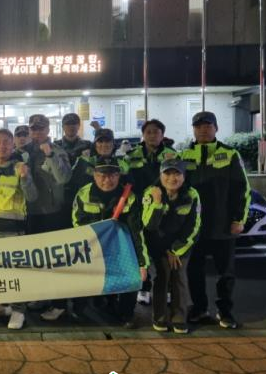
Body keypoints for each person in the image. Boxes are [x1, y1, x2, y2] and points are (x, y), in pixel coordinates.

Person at [180, 111, 250, 329]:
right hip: (194, 227)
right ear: (193, 129)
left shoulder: (229, 154)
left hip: (223, 225)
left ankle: (225, 312)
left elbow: (242, 189)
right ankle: (199, 309)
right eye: (198, 126)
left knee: (225, 272)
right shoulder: (183, 156)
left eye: (208, 126)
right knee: (194, 270)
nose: (203, 130)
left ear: (216, 128)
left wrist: (238, 219)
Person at [71, 156, 148, 328]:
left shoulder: (129, 197)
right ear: (94, 175)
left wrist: (142, 263)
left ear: (119, 175)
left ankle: (126, 314)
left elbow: (137, 232)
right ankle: (81, 310)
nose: (107, 180)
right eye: (102, 175)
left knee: (132, 274)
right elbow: (77, 225)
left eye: (112, 175)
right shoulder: (83, 194)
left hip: (120, 250)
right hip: (92, 248)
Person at [0, 128, 37, 330]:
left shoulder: (19, 168)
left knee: (15, 272)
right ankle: (1, 305)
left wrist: (25, 178)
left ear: (13, 145)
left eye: (6, 142)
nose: (1, 146)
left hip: (13, 231)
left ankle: (18, 311)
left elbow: (32, 197)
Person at [142, 159, 201, 334]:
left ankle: (179, 318)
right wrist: (157, 203)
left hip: (181, 245)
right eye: (167, 173)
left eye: (177, 174)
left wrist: (175, 250)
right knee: (161, 277)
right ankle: (159, 317)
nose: (172, 178)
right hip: (158, 245)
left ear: (184, 176)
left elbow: (194, 226)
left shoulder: (192, 194)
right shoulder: (151, 192)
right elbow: (149, 225)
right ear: (160, 175)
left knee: (179, 277)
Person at [125, 119, 177, 306]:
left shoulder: (172, 155)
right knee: (141, 249)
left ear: (162, 134)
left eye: (156, 132)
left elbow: (179, 180)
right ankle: (144, 287)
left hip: (164, 209)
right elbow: (125, 180)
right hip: (139, 209)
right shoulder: (131, 156)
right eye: (148, 132)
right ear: (143, 135)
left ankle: (167, 289)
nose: (152, 135)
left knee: (163, 251)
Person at [22, 114, 72, 234]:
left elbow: (63, 178)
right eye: (34, 128)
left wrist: (50, 155)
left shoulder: (57, 151)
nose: (37, 132)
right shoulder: (22, 151)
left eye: (41, 128)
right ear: (29, 130)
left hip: (52, 211)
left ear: (48, 130)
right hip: (27, 211)